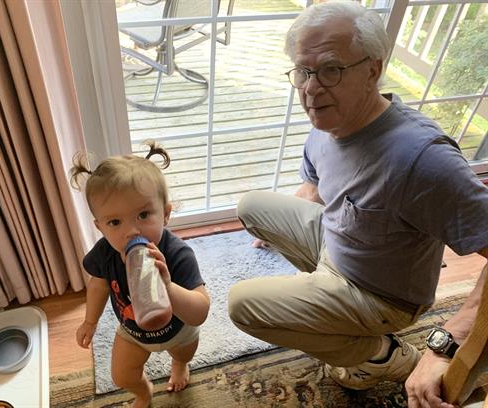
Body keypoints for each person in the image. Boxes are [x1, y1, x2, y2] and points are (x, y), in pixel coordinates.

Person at [227, 1, 488, 407]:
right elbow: (314, 183)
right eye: (303, 71)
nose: (311, 89)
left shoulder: (423, 159)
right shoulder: (329, 121)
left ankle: (383, 356)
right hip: (338, 244)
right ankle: (327, 306)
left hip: (382, 295)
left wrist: (449, 342)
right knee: (251, 206)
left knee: (242, 305)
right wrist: (289, 227)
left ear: (372, 69)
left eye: (331, 69)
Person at [70, 141, 210, 408]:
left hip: (178, 330)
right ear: (100, 227)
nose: (131, 231)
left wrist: (168, 286)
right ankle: (144, 392)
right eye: (115, 222)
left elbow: (200, 312)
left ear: (165, 214)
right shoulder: (105, 253)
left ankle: (179, 364)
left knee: (184, 353)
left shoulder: (178, 254)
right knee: (121, 375)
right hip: (133, 332)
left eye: (143, 215)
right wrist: (90, 321)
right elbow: (98, 285)